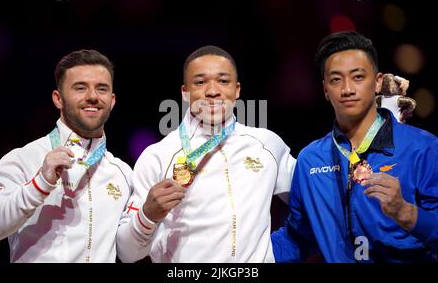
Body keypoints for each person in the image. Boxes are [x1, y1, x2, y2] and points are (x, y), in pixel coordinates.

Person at [116, 45, 296, 262]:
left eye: (223, 81)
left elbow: (313, 204)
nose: (212, 91)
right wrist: (147, 215)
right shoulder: (158, 156)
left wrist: (281, 249)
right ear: (185, 92)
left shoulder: (266, 145)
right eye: (200, 82)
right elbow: (127, 253)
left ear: (237, 90)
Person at [271, 31, 438, 262]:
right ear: (325, 90)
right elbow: (297, 238)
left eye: (358, 77)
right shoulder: (311, 160)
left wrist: (404, 211)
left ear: (378, 82)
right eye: (336, 79)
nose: (347, 89)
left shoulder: (423, 148)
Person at [0, 50, 132, 262]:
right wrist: (40, 184)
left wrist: (148, 215)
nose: (92, 96)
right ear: (58, 99)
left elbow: (129, 253)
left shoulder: (122, 172)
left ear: (111, 101)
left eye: (101, 89)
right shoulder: (22, 159)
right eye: (80, 88)